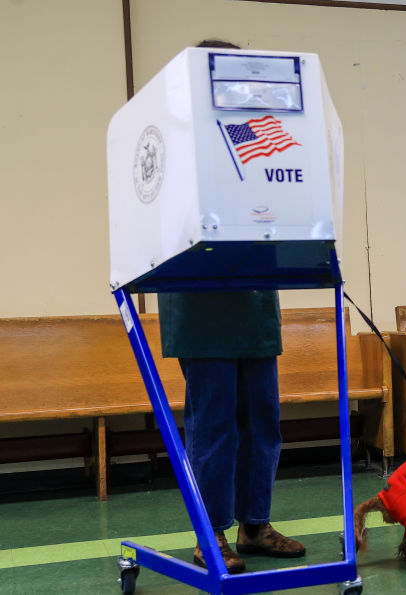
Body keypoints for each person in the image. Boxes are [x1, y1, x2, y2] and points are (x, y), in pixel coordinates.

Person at [157, 39, 305, 575]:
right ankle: (210, 532)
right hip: (199, 305)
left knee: (263, 421)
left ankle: (255, 525)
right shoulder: (177, 140)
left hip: (253, 300)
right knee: (214, 426)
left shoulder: (259, 135)